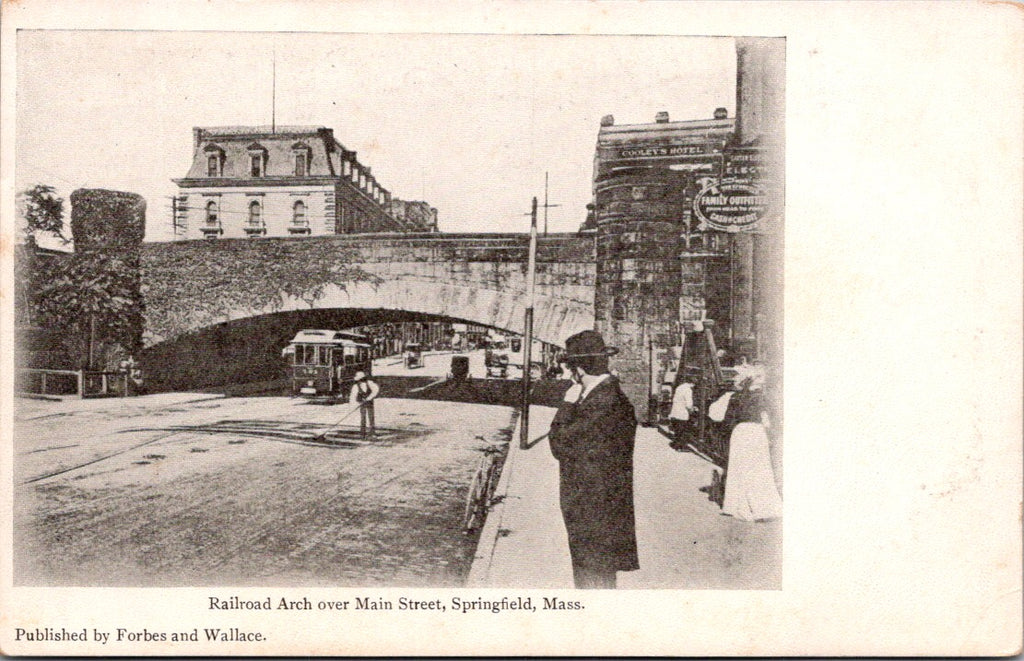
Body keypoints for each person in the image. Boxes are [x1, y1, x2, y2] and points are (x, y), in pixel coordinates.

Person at [547, 330, 639, 589]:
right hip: (597, 505)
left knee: (593, 579)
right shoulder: (606, 396)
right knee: (596, 577)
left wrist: (566, 404)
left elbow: (559, 443)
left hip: (593, 507)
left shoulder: (602, 402)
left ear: (578, 370)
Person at [710, 364, 782, 521]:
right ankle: (762, 507)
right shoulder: (763, 397)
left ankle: (739, 505)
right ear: (754, 380)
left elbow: (724, 418)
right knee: (759, 468)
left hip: (739, 432)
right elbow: (769, 421)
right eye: (760, 377)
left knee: (740, 468)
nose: (763, 381)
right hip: (755, 432)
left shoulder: (735, 396)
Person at [349, 371, 379, 441]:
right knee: (363, 418)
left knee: (371, 417)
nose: (360, 381)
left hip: (369, 403)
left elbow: (376, 390)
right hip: (361, 404)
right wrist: (354, 404)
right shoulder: (356, 386)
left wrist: (369, 398)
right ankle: (363, 433)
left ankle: (372, 433)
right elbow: (353, 396)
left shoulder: (370, 383)